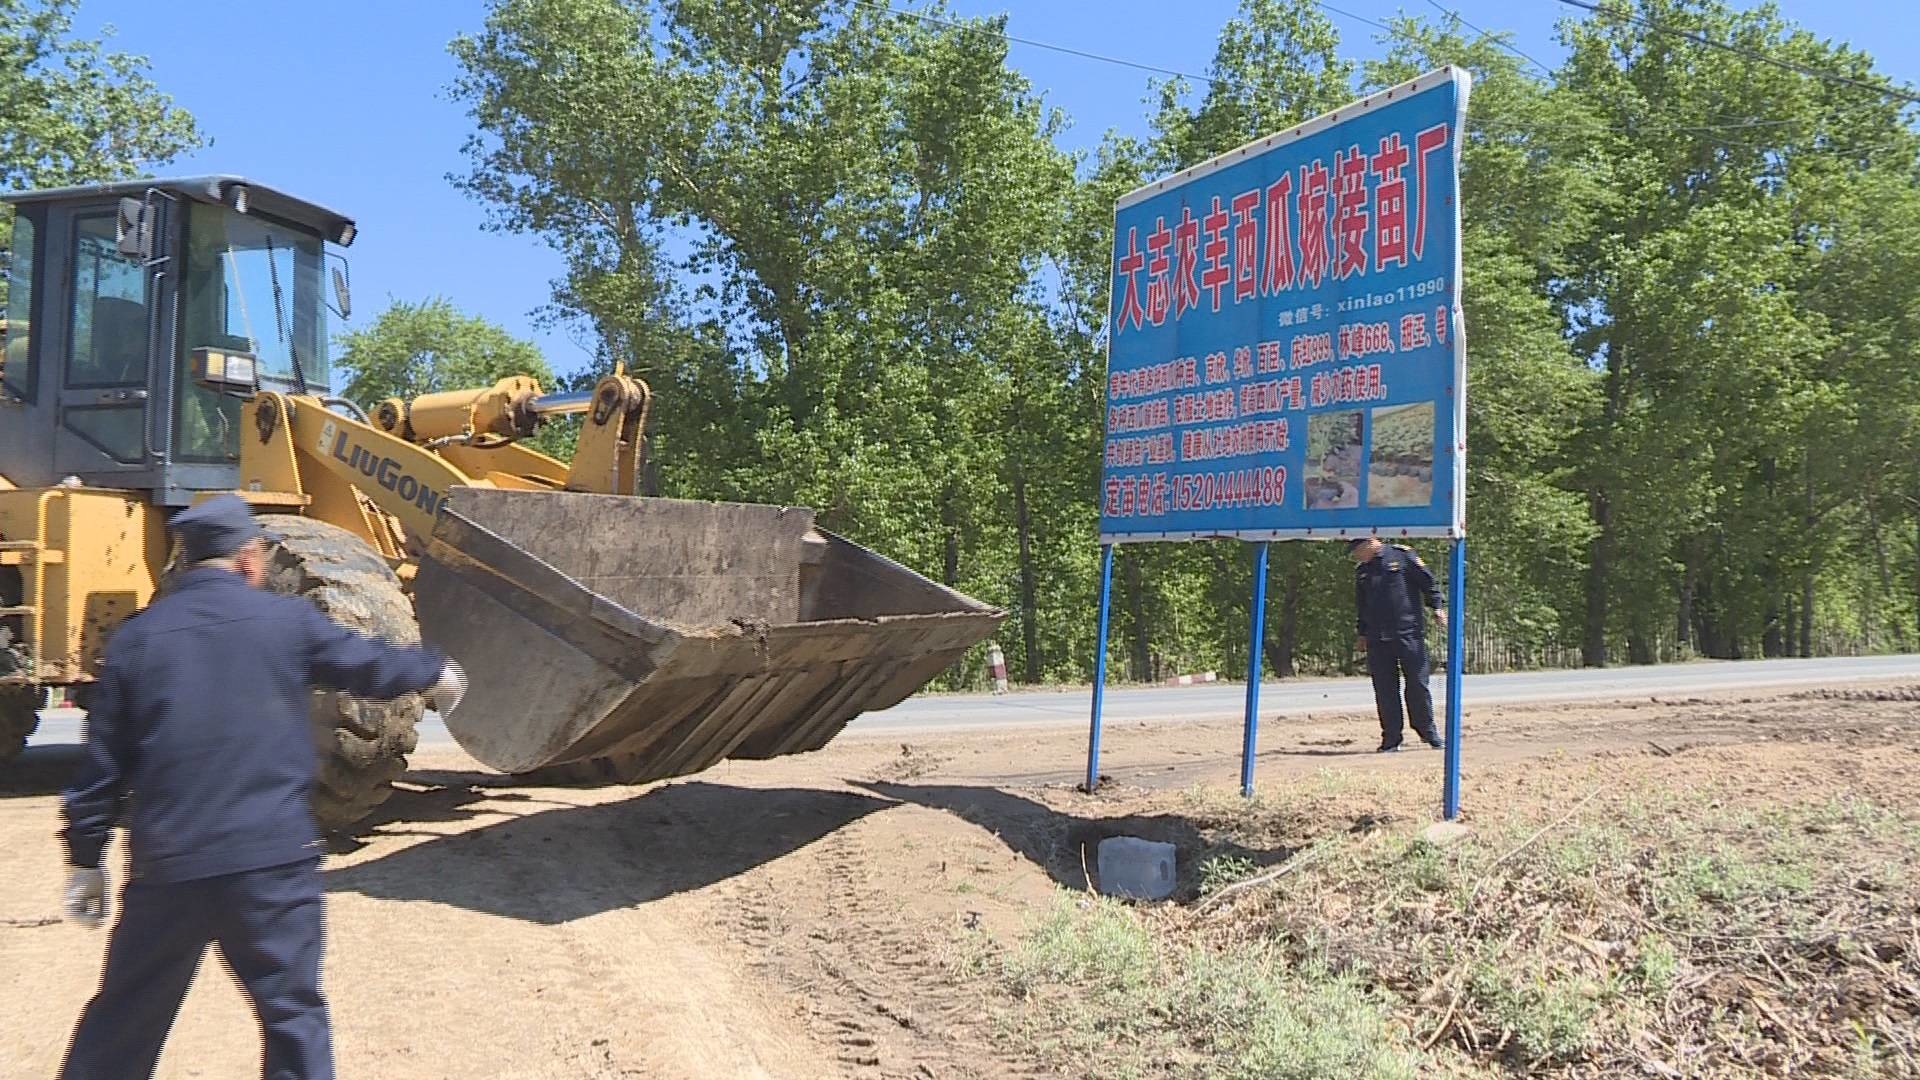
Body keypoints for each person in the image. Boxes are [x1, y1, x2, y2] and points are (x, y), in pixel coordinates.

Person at [57, 495, 466, 1080]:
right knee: (292, 1016)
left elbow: (100, 764)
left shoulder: (137, 640)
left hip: (169, 867)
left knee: (125, 1016)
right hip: (270, 864)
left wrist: (85, 860)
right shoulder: (286, 623)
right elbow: (367, 663)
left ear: (185, 561)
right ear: (248, 558)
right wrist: (434, 672)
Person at [1349, 535, 1447, 753]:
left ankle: (1428, 732)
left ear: (1371, 542)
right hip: (1377, 638)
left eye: (1357, 550)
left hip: (1408, 632)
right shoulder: (1362, 571)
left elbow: (1427, 581)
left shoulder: (1401, 557)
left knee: (1417, 685)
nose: (1356, 555)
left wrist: (1437, 607)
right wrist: (1362, 634)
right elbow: (1362, 605)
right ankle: (1391, 739)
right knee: (1385, 689)